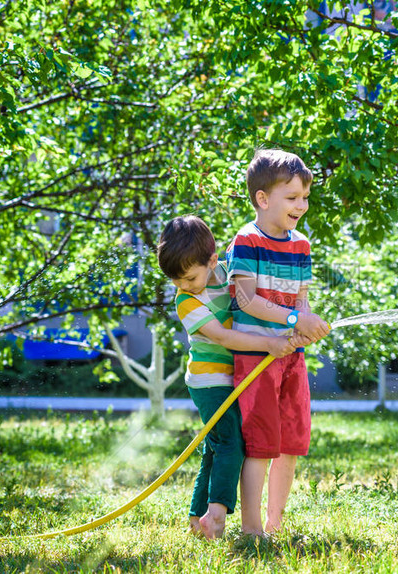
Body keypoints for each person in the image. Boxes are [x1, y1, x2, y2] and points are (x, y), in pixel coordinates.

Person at [156, 215, 297, 539]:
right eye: (177, 281)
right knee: (232, 443)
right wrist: (269, 344)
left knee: (215, 447)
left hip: (231, 375)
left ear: (213, 260)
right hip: (208, 380)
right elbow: (223, 337)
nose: (184, 287)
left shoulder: (231, 269)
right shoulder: (186, 301)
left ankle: (196, 517)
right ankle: (216, 515)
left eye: (190, 278)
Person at [226, 149, 331, 536]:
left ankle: (274, 525)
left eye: (305, 197)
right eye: (292, 197)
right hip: (256, 358)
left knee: (290, 443)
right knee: (261, 443)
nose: (301, 205)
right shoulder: (247, 240)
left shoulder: (301, 245)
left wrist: (304, 325)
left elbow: (300, 300)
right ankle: (252, 530)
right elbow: (246, 299)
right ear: (263, 199)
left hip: (292, 359)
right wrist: (293, 319)